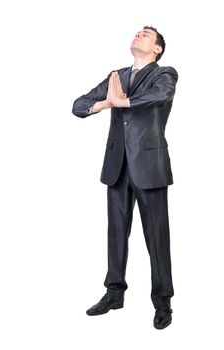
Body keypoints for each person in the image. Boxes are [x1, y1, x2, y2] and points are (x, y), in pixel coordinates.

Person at [72, 25, 178, 329]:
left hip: (150, 166)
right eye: (137, 32)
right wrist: (104, 102)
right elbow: (78, 105)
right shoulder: (116, 76)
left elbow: (160, 96)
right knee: (116, 233)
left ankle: (162, 303)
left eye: (146, 34)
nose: (138, 35)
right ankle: (113, 293)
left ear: (157, 49)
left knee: (156, 239)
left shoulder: (164, 73)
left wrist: (124, 102)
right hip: (117, 166)